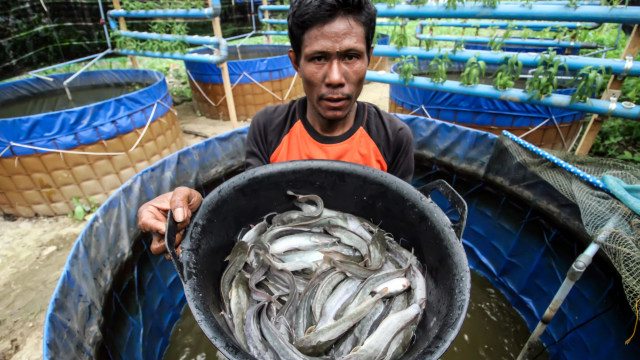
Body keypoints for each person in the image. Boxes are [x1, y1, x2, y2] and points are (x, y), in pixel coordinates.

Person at [137, 0, 414, 257]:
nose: (335, 78)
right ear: (296, 62)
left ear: (369, 58)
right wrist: (198, 215)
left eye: (351, 57)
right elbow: (254, 215)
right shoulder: (269, 127)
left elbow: (396, 232)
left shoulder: (392, 138)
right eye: (318, 58)